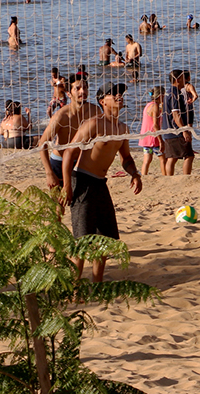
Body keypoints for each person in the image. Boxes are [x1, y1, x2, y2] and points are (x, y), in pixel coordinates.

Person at [59, 82, 143, 283]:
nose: (119, 96)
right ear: (102, 101)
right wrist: (67, 185)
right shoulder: (93, 123)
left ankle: (97, 285)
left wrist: (135, 174)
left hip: (100, 184)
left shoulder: (122, 128)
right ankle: (74, 287)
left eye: (120, 93)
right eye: (113, 94)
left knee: (104, 240)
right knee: (82, 242)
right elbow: (70, 153)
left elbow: (126, 158)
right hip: (82, 181)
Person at [37, 76, 99, 188]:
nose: (83, 91)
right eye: (78, 88)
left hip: (82, 163)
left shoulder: (95, 111)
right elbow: (42, 143)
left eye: (85, 88)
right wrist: (49, 173)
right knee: (59, 203)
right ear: (69, 94)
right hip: (59, 163)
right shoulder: (61, 116)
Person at [161, 69, 195, 176]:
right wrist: (184, 130)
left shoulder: (168, 92)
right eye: (183, 78)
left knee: (172, 157)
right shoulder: (175, 94)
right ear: (177, 79)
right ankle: (186, 178)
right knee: (189, 155)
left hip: (168, 129)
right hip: (176, 130)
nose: (185, 81)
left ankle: (169, 179)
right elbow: (176, 115)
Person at [138, 86, 163, 175]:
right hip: (153, 137)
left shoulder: (149, 105)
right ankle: (166, 177)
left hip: (145, 137)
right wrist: (160, 140)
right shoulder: (155, 106)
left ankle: (144, 176)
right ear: (160, 96)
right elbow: (155, 125)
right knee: (162, 158)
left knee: (147, 159)